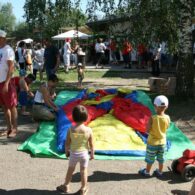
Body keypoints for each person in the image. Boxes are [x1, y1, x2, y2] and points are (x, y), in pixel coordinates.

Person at [57, 105, 94, 195]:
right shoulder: (89, 130)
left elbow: (67, 143)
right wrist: (92, 154)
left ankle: (66, 185)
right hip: (84, 155)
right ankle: (83, 188)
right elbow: (91, 144)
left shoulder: (71, 129)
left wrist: (66, 152)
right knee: (83, 171)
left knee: (70, 170)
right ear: (86, 117)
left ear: (73, 117)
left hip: (74, 154)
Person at [139, 95, 170, 177]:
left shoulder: (152, 118)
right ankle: (160, 172)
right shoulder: (167, 118)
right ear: (166, 107)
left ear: (155, 106)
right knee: (161, 159)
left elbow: (147, 130)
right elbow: (167, 127)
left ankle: (147, 172)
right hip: (163, 143)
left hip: (152, 143)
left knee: (150, 159)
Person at [0, 30, 18, 138]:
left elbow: (11, 67)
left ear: (3, 38)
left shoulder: (8, 50)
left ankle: (15, 128)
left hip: (6, 82)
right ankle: (8, 128)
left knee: (11, 105)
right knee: (3, 106)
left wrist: (7, 83)